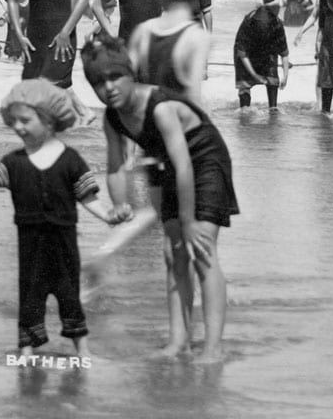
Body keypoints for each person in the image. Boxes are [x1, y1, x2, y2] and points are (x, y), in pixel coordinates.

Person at [81, 36, 236, 362]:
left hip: (204, 161)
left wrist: (191, 221)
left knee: (201, 249)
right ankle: (178, 341)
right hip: (166, 166)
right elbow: (116, 165)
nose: (108, 88)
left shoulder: (161, 107)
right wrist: (119, 204)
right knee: (173, 253)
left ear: (131, 74)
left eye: (114, 78)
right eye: (98, 82)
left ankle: (213, 348)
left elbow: (184, 165)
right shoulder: (113, 118)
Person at [0, 79, 116, 357]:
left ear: (50, 121)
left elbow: (88, 198)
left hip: (64, 247)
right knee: (30, 300)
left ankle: (83, 351)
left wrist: (109, 215)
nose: (18, 127)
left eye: (25, 120)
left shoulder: (71, 159)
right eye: (13, 121)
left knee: (69, 297)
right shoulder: (14, 162)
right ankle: (26, 353)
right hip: (30, 247)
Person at [129, 0, 211, 107]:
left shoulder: (143, 30)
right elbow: (193, 94)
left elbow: (126, 84)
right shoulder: (197, 37)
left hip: (147, 117)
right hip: (179, 121)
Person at [233, 6, 290, 112]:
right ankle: (245, 110)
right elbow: (243, 54)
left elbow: (284, 53)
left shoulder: (277, 24)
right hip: (247, 52)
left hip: (268, 51)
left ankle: (273, 109)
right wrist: (254, 75)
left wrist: (285, 76)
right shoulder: (248, 24)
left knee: (272, 82)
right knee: (245, 86)